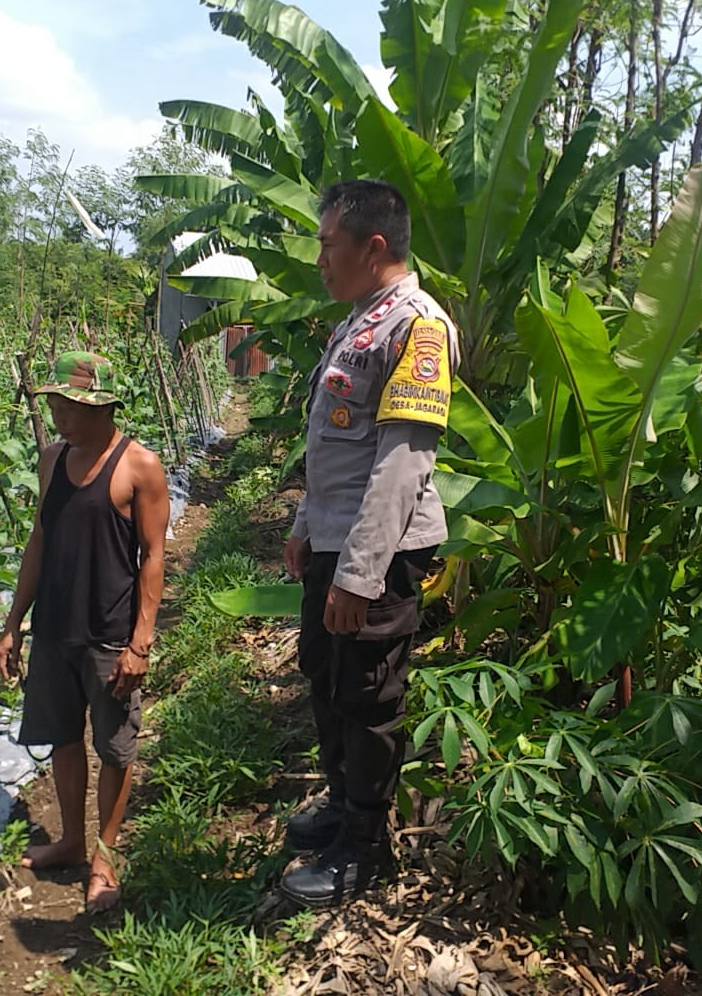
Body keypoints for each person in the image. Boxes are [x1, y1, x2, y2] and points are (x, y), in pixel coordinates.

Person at [279, 179, 458, 908]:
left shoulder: (416, 326)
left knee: (367, 696)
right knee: (325, 678)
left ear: (371, 245)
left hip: (376, 554)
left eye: (327, 243)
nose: (319, 258)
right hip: (335, 540)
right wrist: (302, 526)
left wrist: (359, 575)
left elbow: (400, 464)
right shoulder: (360, 319)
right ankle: (341, 801)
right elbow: (333, 445)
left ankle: (365, 846)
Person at [0, 350, 169, 912]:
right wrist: (14, 623)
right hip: (55, 629)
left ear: (102, 407)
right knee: (64, 739)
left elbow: (153, 557)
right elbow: (39, 542)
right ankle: (71, 839)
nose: (58, 414)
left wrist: (140, 643)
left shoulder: (139, 467)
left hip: (109, 635)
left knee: (115, 747)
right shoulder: (51, 460)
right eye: (54, 404)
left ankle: (104, 854)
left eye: (68, 405)